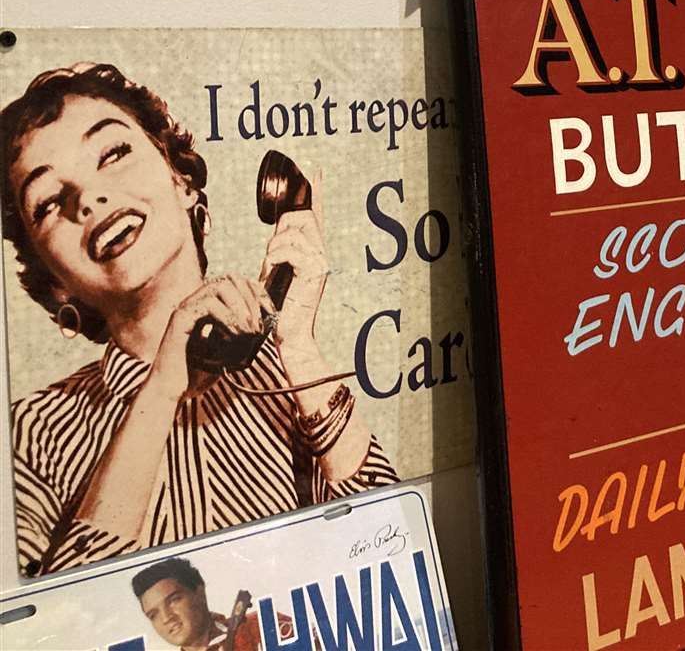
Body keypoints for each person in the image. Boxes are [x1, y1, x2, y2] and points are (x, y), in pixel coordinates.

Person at [3, 64, 396, 576]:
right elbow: (66, 623)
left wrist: (297, 346)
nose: (89, 199)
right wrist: (161, 388)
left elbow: (387, 549)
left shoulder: (288, 378)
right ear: (55, 284)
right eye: (50, 202)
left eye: (113, 154)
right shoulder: (30, 434)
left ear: (181, 179)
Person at [132, 556, 305, 651]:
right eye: (153, 615)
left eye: (174, 600)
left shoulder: (260, 628)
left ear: (199, 592)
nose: (166, 618)